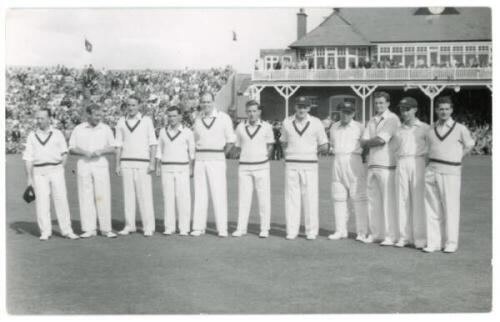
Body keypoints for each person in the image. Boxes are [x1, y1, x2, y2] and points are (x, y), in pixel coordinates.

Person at [423, 96, 474, 253]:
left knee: (451, 207)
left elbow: (469, 145)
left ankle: (451, 242)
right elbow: (427, 149)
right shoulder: (431, 129)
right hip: (432, 170)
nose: (443, 112)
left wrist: (456, 158)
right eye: (441, 109)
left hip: (451, 171)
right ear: (436, 110)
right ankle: (434, 243)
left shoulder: (460, 128)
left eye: (446, 109)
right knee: (432, 208)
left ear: (451, 110)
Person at [22, 108, 79, 240]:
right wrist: (29, 178)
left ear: (49, 119)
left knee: (61, 200)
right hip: (39, 172)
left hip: (56, 170)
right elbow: (28, 158)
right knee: (42, 202)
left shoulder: (57, 133)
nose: (39, 121)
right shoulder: (32, 136)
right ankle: (45, 232)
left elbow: (64, 153)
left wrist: (61, 169)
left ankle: (67, 230)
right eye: (37, 118)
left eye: (42, 118)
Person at [280, 96, 329, 240]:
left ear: (309, 108)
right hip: (292, 165)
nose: (302, 109)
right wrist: (287, 157)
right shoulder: (287, 122)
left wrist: (316, 152)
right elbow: (283, 142)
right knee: (292, 199)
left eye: (305, 107)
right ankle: (292, 230)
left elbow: (323, 144)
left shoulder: (316, 122)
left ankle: (311, 231)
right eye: (299, 106)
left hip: (310, 165)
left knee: (310, 198)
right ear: (295, 107)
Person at [69, 103, 118, 238]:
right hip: (84, 164)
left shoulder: (106, 128)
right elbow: (71, 148)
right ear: (88, 115)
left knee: (102, 196)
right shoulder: (79, 129)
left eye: (100, 114)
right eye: (96, 115)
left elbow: (113, 147)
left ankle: (106, 228)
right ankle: (89, 229)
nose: (99, 117)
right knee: (85, 196)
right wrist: (84, 152)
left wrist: (101, 151)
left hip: (100, 163)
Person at [191, 92, 236, 237]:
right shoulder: (197, 119)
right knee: (200, 193)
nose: (206, 105)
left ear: (213, 102)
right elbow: (194, 140)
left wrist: (221, 154)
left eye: (208, 102)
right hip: (200, 159)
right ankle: (198, 227)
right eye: (203, 102)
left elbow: (230, 140)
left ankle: (222, 228)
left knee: (219, 193)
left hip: (217, 160)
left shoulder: (224, 118)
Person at [361, 91, 401, 245]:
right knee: (373, 201)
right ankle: (375, 233)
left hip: (387, 165)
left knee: (387, 202)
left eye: (381, 103)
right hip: (372, 164)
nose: (379, 105)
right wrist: (369, 141)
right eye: (376, 103)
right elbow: (362, 141)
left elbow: (380, 140)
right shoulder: (372, 119)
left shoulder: (392, 119)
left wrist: (367, 142)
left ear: (388, 103)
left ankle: (390, 236)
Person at [115, 95, 157, 237]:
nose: (131, 108)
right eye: (129, 105)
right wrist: (117, 164)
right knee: (128, 196)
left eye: (134, 105)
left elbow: (152, 143)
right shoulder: (121, 122)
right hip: (126, 162)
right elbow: (118, 145)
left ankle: (148, 226)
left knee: (144, 195)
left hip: (143, 163)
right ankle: (129, 225)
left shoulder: (146, 121)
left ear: (139, 106)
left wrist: (152, 163)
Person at [232, 100, 274, 238]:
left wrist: (262, 157)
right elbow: (237, 146)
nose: (251, 114)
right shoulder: (240, 127)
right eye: (249, 111)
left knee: (264, 199)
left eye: (254, 111)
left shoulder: (266, 127)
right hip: (244, 168)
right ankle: (241, 227)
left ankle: (264, 228)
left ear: (259, 112)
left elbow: (270, 145)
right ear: (246, 112)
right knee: (243, 199)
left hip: (262, 167)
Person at [328, 102, 368, 241]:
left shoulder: (359, 127)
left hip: (354, 160)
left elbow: (365, 146)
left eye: (348, 112)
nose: (345, 115)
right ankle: (340, 230)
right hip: (338, 161)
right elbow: (332, 144)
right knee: (338, 197)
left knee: (359, 197)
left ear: (353, 113)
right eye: (343, 112)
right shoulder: (334, 127)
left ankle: (362, 232)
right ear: (339, 112)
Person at [393, 97, 430, 249]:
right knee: (402, 200)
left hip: (418, 162)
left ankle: (420, 238)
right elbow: (394, 149)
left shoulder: (425, 128)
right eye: (402, 110)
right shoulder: (399, 130)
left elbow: (430, 150)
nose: (405, 113)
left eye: (407, 109)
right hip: (402, 162)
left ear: (415, 109)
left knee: (418, 201)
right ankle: (404, 237)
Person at [155, 106, 195, 236]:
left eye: (174, 116)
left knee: (183, 198)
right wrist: (157, 166)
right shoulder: (162, 131)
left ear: (180, 117)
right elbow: (159, 150)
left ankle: (184, 228)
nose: (172, 118)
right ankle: (169, 227)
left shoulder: (187, 132)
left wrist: (191, 168)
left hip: (182, 168)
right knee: (168, 198)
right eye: (169, 116)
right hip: (166, 168)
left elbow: (192, 152)